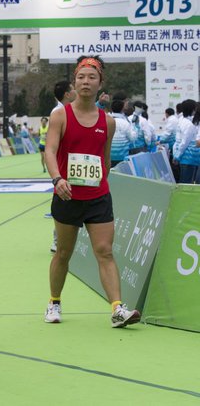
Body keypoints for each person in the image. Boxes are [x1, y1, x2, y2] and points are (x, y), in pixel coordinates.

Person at [44, 55, 141, 328]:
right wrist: (57, 179)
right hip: (66, 195)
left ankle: (117, 309)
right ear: (74, 82)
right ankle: (54, 301)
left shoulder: (107, 121)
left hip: (98, 197)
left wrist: (98, 183)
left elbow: (105, 160)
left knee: (105, 251)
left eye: (91, 77)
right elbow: (50, 150)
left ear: (100, 83)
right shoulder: (60, 115)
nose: (85, 82)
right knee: (64, 253)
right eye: (81, 77)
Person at [48, 80, 77, 253]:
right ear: (67, 94)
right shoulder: (57, 113)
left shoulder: (75, 110)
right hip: (62, 167)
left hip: (74, 166)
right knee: (63, 204)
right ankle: (57, 240)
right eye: (73, 89)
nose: (76, 91)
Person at [172, 99, 199, 184]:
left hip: (185, 157)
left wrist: (176, 155)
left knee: (185, 181)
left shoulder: (182, 120)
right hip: (188, 158)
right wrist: (177, 156)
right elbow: (184, 142)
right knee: (186, 182)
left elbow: (179, 141)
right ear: (192, 109)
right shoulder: (189, 124)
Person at [109, 99, 137, 168]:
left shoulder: (106, 121)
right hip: (122, 158)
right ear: (122, 109)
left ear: (111, 108)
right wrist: (134, 126)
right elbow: (133, 138)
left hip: (108, 157)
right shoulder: (125, 123)